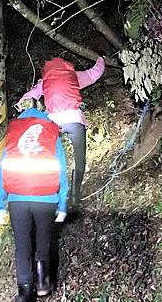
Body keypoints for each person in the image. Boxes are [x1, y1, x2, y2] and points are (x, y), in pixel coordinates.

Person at [0, 107, 68, 302]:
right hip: (46, 198)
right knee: (44, 240)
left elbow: (2, 170)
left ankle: (25, 299)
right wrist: (62, 204)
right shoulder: (51, 132)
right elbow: (62, 171)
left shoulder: (14, 132)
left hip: (17, 199)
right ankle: (43, 282)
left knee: (22, 246)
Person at [14, 56, 105, 207]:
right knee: (79, 159)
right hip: (74, 120)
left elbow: (29, 97)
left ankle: (52, 193)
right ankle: (75, 195)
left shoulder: (45, 82)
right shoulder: (73, 76)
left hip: (54, 123)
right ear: (66, 66)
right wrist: (100, 58)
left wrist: (19, 105)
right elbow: (95, 73)